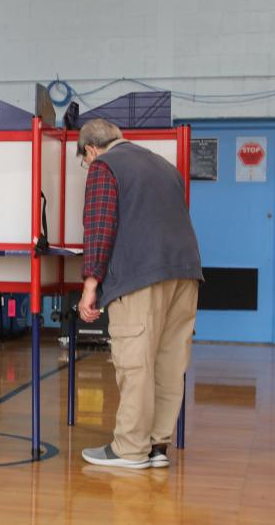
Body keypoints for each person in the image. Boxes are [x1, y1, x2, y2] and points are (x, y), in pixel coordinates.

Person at [76, 119, 203, 469]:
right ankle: (157, 446)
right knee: (168, 363)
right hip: (185, 272)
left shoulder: (105, 166)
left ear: (90, 149)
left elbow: (100, 226)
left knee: (136, 362)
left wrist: (91, 284)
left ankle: (129, 449)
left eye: (84, 160)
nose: (87, 166)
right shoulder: (164, 165)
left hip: (140, 276)